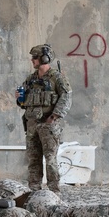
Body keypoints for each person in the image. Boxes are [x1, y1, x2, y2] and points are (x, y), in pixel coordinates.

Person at [17, 44, 72, 192]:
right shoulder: (30, 79)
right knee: (33, 161)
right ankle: (34, 190)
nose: (32, 60)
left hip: (48, 125)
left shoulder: (56, 77)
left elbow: (66, 97)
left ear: (44, 58)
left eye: (35, 57)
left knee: (50, 160)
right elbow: (23, 102)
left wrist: (54, 116)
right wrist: (20, 98)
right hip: (32, 125)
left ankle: (54, 191)